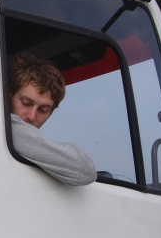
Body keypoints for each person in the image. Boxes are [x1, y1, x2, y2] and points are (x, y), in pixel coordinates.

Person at [8, 53, 96, 186]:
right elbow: (85, 170)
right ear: (9, 95)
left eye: (43, 110)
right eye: (26, 103)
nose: (31, 116)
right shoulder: (6, 128)